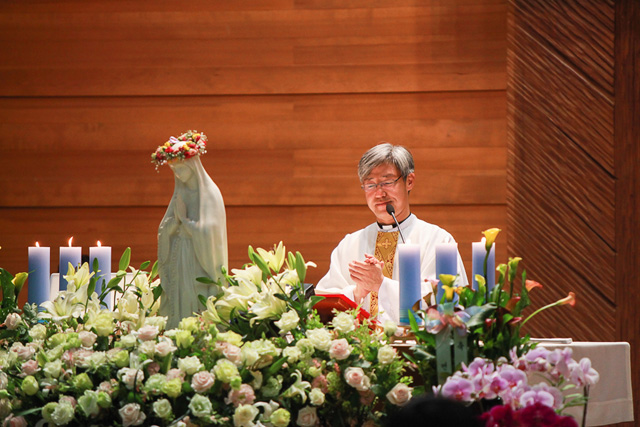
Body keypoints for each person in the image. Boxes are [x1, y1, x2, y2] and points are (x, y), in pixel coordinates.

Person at [315, 143, 467, 323]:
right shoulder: (350, 244)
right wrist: (357, 293)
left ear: (409, 181)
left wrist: (381, 284)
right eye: (370, 185)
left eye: (387, 182)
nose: (379, 193)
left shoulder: (438, 241)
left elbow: (447, 306)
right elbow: (325, 304)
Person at [154, 131, 228, 329]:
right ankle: (178, 331)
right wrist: (175, 224)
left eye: (180, 169)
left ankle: (197, 331)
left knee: (193, 293)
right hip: (180, 255)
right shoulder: (180, 192)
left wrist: (186, 223)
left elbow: (210, 232)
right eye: (174, 170)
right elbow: (165, 227)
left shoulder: (209, 193)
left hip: (198, 259)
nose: (178, 174)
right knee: (180, 294)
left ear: (192, 166)